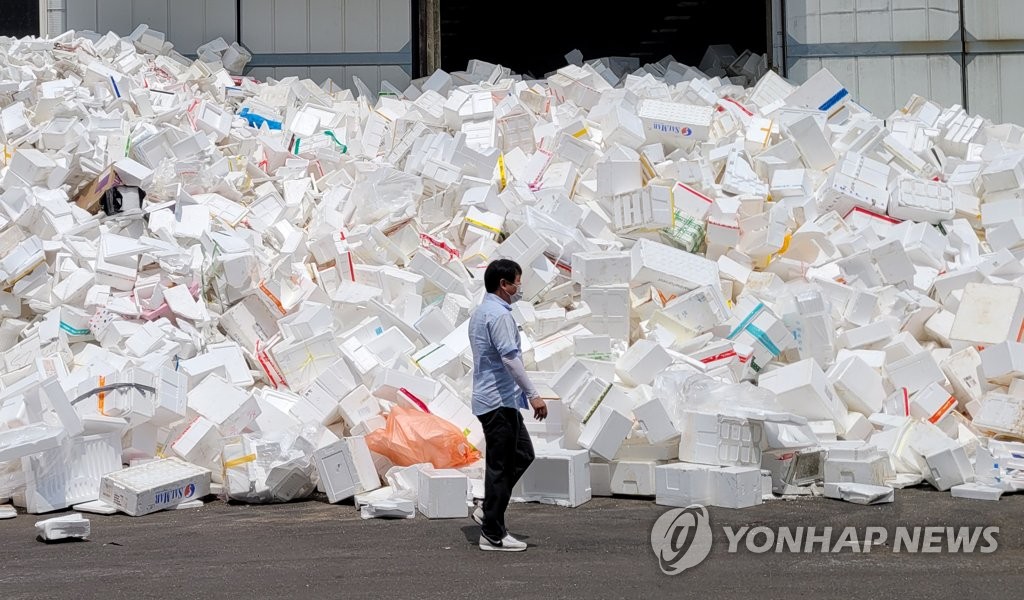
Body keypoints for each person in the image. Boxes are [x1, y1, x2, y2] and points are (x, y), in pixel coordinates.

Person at [468, 259, 547, 552]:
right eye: (517, 282)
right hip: (498, 402)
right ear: (504, 285)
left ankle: (488, 510)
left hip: (499, 401)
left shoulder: (482, 312)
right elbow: (510, 358)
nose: (519, 288)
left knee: (523, 454)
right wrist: (534, 395)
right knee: (500, 468)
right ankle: (493, 533)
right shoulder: (499, 316)